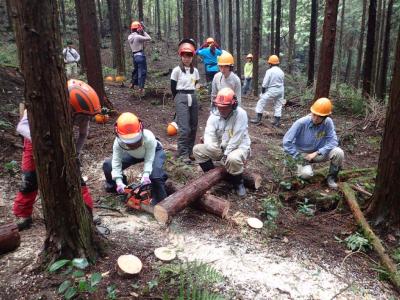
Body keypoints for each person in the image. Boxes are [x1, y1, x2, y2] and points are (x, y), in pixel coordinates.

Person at [13, 79, 100, 230]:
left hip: (63, 142)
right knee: (30, 179)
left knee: (75, 176)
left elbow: (83, 134)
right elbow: (21, 127)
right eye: (81, 117)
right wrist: (41, 141)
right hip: (33, 140)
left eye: (86, 118)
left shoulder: (82, 113)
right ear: (68, 106)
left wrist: (76, 154)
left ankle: (87, 210)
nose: (83, 120)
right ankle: (23, 214)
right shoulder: (42, 104)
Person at [193, 88, 251, 197]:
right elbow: (209, 134)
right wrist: (211, 147)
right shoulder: (214, 116)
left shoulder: (241, 115)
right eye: (219, 107)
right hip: (222, 147)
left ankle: (238, 183)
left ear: (233, 105)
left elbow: (236, 138)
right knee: (197, 150)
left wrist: (226, 154)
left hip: (239, 146)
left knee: (232, 158)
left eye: (224, 108)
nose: (221, 110)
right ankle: (212, 176)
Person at [102, 112, 168, 205]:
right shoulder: (118, 142)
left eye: (134, 140)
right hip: (133, 154)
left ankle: (162, 202)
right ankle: (119, 189)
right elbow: (116, 162)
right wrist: (118, 181)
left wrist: (146, 174)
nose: (132, 144)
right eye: (128, 142)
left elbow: (149, 159)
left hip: (153, 151)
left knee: (155, 175)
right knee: (108, 165)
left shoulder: (148, 137)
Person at [282, 98, 344, 189]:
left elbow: (333, 141)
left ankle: (331, 178)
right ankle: (303, 169)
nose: (315, 118)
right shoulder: (301, 123)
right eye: (314, 114)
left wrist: (317, 152)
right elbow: (286, 141)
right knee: (306, 174)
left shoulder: (328, 123)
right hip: (302, 154)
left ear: (326, 116)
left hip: (317, 153)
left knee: (339, 153)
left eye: (319, 116)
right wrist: (298, 156)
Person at [170, 39, 200, 164]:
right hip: (181, 96)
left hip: (192, 96)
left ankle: (190, 151)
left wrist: (195, 90)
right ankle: (183, 154)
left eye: (189, 56)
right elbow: (173, 86)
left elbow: (196, 83)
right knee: (184, 127)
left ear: (192, 57)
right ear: (181, 56)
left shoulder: (195, 71)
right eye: (184, 56)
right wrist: (177, 98)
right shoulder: (177, 70)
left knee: (193, 125)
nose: (187, 58)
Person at [250, 55, 284, 127]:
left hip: (272, 90)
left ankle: (258, 119)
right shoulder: (281, 71)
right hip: (281, 90)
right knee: (278, 105)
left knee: (261, 101)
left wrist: (262, 93)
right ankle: (277, 122)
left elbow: (264, 84)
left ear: (270, 63)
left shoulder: (269, 71)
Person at [128, 21, 151, 94]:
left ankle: (132, 84)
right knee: (142, 72)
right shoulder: (138, 37)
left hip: (134, 56)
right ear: (138, 29)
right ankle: (141, 88)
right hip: (140, 56)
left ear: (132, 29)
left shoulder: (129, 37)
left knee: (136, 71)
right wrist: (143, 31)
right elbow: (149, 38)